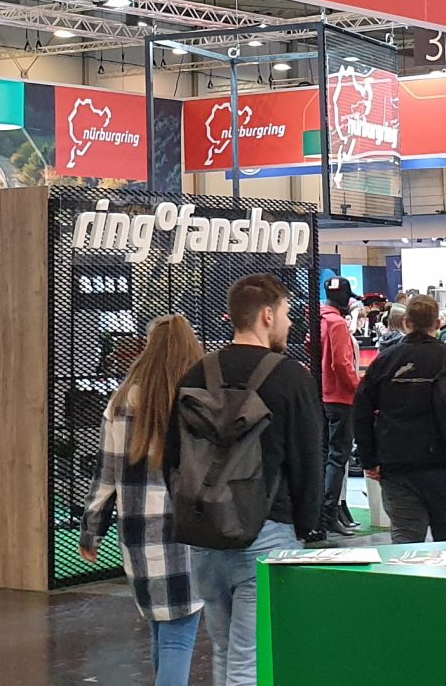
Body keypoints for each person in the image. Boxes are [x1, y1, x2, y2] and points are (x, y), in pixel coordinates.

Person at [169, 274, 322, 686]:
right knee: (250, 660)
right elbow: (309, 460)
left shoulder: (195, 374)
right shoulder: (292, 378)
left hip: (205, 533)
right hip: (268, 531)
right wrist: (308, 526)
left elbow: (173, 457)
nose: (290, 323)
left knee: (223, 650)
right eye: (287, 313)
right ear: (267, 315)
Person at [82, 315, 206, 686]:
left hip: (137, 539)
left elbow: (105, 479)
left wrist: (91, 532)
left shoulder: (120, 403)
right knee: (178, 637)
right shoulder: (197, 400)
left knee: (160, 631)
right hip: (188, 536)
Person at [353, 295, 446, 544]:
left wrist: (370, 459)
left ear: (406, 322)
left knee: (405, 542)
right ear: (437, 323)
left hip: (397, 464)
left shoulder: (385, 361)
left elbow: (361, 411)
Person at [316, 279, 362, 539]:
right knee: (337, 458)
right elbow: (342, 365)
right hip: (341, 399)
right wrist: (359, 391)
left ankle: (320, 513)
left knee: (324, 456)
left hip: (321, 396)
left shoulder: (318, 320)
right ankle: (329, 514)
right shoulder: (337, 324)